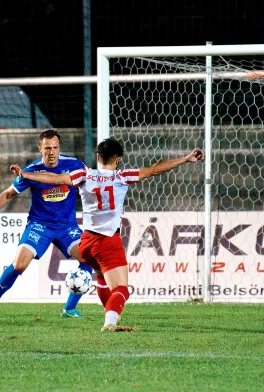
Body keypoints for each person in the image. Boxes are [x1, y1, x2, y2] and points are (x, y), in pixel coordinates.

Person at [12, 138, 203, 331]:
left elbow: (55, 179)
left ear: (97, 157)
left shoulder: (84, 175)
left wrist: (27, 175)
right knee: (122, 289)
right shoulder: (122, 176)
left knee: (102, 276)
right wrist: (186, 159)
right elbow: (155, 169)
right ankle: (110, 322)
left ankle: (109, 314)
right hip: (107, 242)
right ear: (118, 160)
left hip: (85, 242)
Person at [0, 129, 93, 319]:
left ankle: (69, 309)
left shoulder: (75, 165)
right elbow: (8, 194)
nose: (51, 153)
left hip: (67, 226)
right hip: (40, 225)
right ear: (40, 148)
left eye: (55, 148)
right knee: (19, 265)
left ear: (59, 147)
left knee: (89, 259)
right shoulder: (31, 170)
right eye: (47, 148)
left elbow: (96, 183)